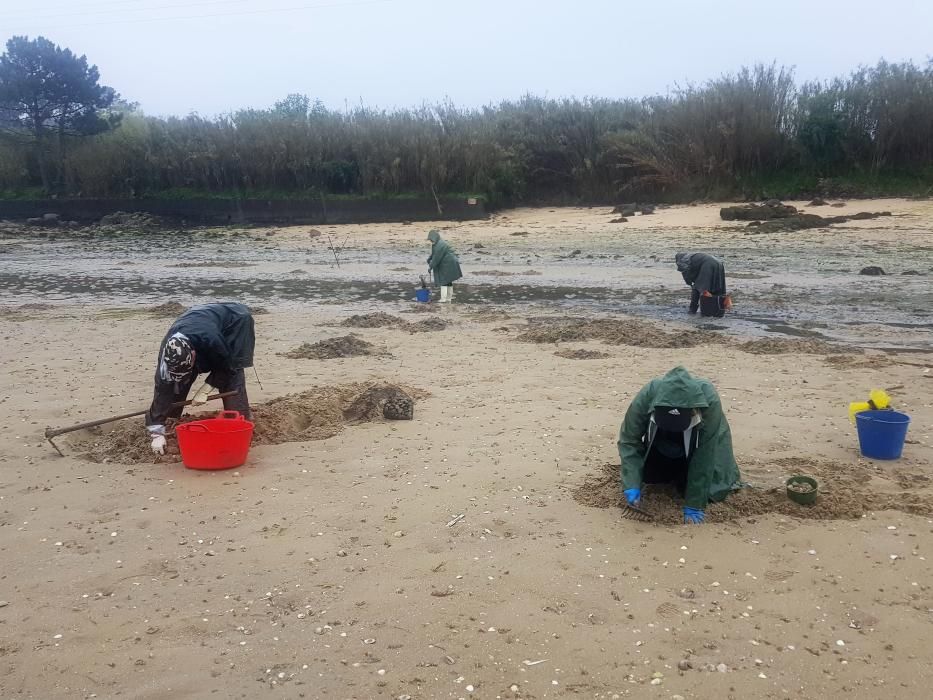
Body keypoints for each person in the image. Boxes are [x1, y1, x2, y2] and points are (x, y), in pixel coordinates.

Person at [617, 366, 741, 524]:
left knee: (714, 488)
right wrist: (632, 482)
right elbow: (629, 439)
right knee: (652, 477)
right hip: (661, 438)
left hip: (699, 435)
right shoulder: (648, 395)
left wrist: (695, 503)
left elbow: (705, 452)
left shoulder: (709, 400)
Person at [145, 302, 256, 455]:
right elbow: (162, 390)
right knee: (176, 384)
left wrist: (206, 388)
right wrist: (156, 431)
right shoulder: (167, 355)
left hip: (234, 323)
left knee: (233, 375)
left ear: (194, 355)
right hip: (197, 323)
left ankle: (241, 424)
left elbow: (226, 366)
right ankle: (171, 421)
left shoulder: (211, 339)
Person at [675, 252, 728, 317]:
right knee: (717, 286)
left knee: (698, 288)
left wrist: (689, 282)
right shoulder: (692, 256)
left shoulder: (683, 260)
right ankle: (719, 309)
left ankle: (693, 310)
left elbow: (685, 272)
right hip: (719, 263)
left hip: (707, 264)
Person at [427, 230, 463, 303]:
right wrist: (429, 258)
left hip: (448, 264)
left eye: (431, 239)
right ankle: (448, 298)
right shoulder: (438, 243)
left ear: (434, 237)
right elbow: (434, 254)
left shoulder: (440, 245)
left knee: (444, 281)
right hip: (450, 263)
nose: (430, 241)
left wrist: (430, 266)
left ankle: (443, 299)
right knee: (448, 281)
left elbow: (436, 258)